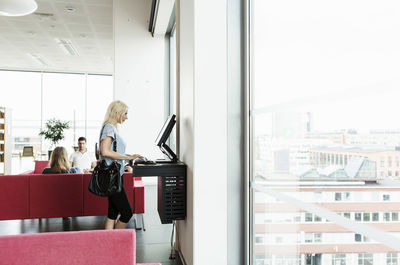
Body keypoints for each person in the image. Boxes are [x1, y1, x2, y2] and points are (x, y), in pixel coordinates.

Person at [100, 100, 143, 229]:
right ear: (117, 112)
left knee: (112, 213)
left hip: (115, 175)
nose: (127, 117)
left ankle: (109, 244)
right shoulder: (109, 127)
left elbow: (114, 151)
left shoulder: (111, 127)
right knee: (127, 212)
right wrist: (127, 157)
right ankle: (116, 242)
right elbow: (105, 151)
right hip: (112, 177)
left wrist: (130, 156)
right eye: (125, 113)